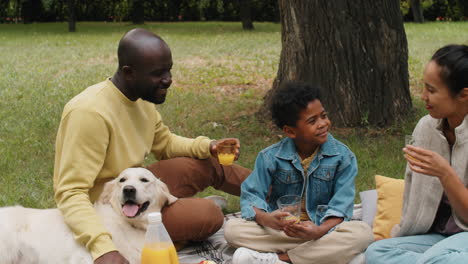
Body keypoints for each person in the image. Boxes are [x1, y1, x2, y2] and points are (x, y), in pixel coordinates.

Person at [53, 28, 251, 264]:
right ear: (129, 73)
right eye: (158, 73)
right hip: (110, 210)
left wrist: (209, 146)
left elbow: (165, 143)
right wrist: (102, 247)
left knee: (210, 164)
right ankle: (153, 239)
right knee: (208, 216)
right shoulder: (89, 113)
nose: (168, 79)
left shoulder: (140, 100)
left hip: (138, 185)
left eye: (168, 70)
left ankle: (280, 193)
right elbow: (70, 192)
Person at [224, 81, 374, 264]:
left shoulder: (343, 157)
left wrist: (318, 230)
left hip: (322, 229)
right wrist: (267, 219)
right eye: (312, 121)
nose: (323, 124)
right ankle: (326, 256)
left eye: (324, 116)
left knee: (362, 234)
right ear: (290, 131)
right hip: (282, 231)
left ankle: (280, 259)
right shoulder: (270, 157)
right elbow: (252, 195)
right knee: (232, 229)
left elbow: (341, 206)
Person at [365, 44, 468, 263]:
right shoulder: (426, 127)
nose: (423, 96)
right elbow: (413, 190)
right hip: (438, 236)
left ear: (463, 95)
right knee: (377, 252)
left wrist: (445, 173)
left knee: (438, 258)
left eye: (431, 90)